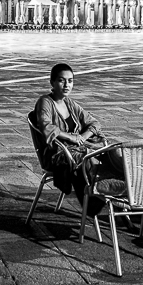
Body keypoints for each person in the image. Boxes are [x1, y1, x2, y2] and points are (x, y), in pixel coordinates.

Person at [34, 63, 124, 207]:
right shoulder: (45, 102)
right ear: (52, 82)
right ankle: (100, 197)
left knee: (115, 153)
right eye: (61, 80)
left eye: (70, 81)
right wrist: (71, 137)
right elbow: (46, 127)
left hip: (79, 148)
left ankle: (124, 193)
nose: (66, 85)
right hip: (59, 154)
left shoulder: (70, 103)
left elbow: (94, 123)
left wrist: (83, 136)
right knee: (91, 159)